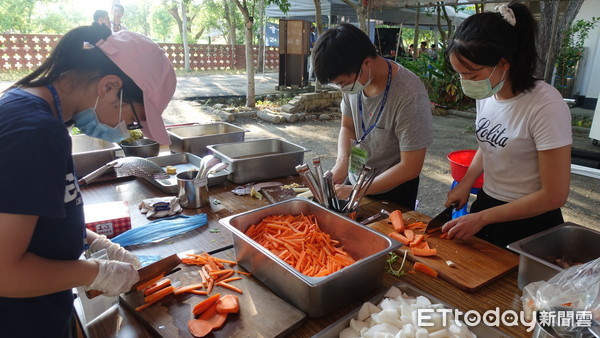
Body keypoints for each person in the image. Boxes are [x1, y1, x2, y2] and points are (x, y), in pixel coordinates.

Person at [0, 24, 177, 337]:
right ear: (109, 86)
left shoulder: (35, 111)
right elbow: (4, 272)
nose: (126, 129)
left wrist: (94, 242)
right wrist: (97, 273)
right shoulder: (34, 131)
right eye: (133, 119)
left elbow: (29, 218)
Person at [442, 1, 571, 248]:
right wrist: (466, 184)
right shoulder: (490, 93)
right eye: (460, 74)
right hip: (487, 204)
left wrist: (482, 218)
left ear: (504, 63)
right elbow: (491, 143)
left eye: (472, 74)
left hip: (530, 221)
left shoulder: (546, 105)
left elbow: (554, 195)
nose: (465, 82)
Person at [312, 23, 433, 210]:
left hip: (393, 192)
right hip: (356, 182)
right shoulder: (353, 82)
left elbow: (411, 167)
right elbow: (348, 127)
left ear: (366, 63)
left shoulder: (409, 95)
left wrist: (358, 190)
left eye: (343, 83)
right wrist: (342, 162)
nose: (342, 89)